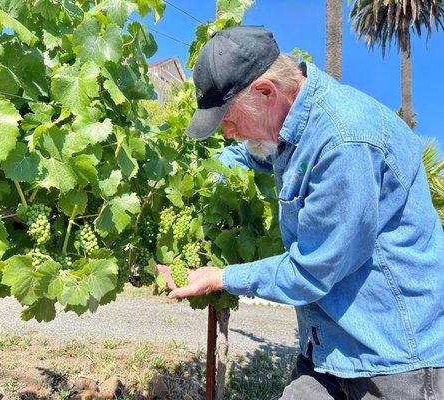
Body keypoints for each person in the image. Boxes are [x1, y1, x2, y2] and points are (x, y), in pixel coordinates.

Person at [157, 25, 444, 399]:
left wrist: (219, 277)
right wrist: (196, 175)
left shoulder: (344, 142)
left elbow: (311, 270)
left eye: (228, 119)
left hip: (395, 362)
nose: (227, 132)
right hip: (330, 352)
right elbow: (248, 152)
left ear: (265, 92)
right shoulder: (289, 124)